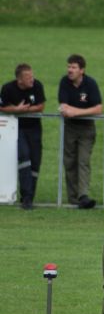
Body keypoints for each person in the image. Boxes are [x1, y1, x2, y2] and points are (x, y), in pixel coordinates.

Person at [58, 54, 102, 209]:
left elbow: (98, 108)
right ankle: (73, 198)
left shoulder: (90, 84)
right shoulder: (64, 82)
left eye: (73, 67)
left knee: (83, 161)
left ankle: (83, 196)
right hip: (69, 127)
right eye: (69, 66)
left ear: (82, 70)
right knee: (69, 162)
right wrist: (77, 111)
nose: (70, 70)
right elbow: (63, 107)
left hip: (86, 128)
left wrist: (76, 112)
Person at [0, 64, 46, 209]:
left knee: (35, 161)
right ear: (19, 80)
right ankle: (26, 197)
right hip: (17, 129)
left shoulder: (37, 86)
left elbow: (41, 106)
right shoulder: (7, 88)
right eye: (28, 77)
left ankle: (29, 197)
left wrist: (24, 110)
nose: (32, 79)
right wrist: (16, 109)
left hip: (35, 129)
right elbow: (1, 107)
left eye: (32, 76)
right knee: (24, 157)